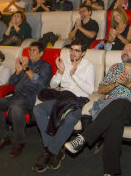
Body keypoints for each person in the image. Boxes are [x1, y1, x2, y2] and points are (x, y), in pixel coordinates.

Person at [65, 42, 131, 175]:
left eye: (129, 50)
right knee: (114, 123)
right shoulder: (114, 68)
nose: (125, 51)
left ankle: (83, 138)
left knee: (119, 103)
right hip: (111, 109)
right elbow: (101, 90)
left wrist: (128, 84)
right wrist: (115, 84)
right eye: (124, 48)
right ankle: (111, 172)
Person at [32, 39, 96, 172]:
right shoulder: (65, 63)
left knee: (71, 118)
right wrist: (60, 72)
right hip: (62, 98)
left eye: (76, 50)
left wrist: (74, 75)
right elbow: (53, 85)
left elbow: (90, 90)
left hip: (77, 100)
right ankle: (55, 149)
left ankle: (48, 152)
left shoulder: (89, 66)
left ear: (83, 53)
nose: (73, 53)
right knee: (38, 109)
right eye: (71, 49)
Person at [0, 42, 52, 158]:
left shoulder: (45, 66)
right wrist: (18, 71)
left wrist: (26, 68)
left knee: (17, 109)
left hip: (31, 98)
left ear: (41, 53)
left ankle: (19, 142)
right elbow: (12, 82)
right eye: (29, 50)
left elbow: (41, 84)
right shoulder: (24, 64)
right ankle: (3, 137)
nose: (30, 52)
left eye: (34, 50)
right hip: (16, 96)